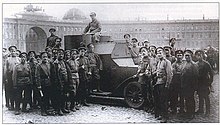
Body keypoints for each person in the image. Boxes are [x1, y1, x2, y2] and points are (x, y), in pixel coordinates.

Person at [52, 49, 75, 115]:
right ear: (56, 55)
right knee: (58, 96)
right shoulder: (55, 63)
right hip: (58, 82)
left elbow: (68, 72)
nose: (61, 55)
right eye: (59, 54)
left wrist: (69, 81)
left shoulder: (65, 62)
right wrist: (57, 82)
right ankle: (58, 109)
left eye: (62, 54)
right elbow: (54, 75)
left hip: (65, 81)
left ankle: (63, 108)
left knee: (64, 95)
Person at [153, 47, 173, 123]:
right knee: (160, 100)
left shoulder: (167, 62)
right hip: (158, 82)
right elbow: (158, 71)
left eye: (160, 52)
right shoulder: (159, 62)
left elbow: (170, 74)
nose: (159, 54)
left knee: (164, 101)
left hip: (164, 84)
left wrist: (167, 85)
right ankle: (161, 115)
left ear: (164, 53)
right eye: (157, 52)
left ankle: (165, 117)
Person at [181, 50, 199, 119]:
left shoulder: (194, 65)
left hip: (191, 85)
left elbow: (196, 76)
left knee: (191, 99)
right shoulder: (184, 63)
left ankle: (191, 113)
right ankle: (188, 112)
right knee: (186, 99)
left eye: (188, 55)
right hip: (184, 85)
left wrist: (195, 87)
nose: (186, 57)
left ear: (191, 56)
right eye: (185, 56)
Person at [195, 50, 213, 116]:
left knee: (206, 97)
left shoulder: (206, 63)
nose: (199, 57)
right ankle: (200, 110)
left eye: (200, 55)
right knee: (200, 96)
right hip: (199, 83)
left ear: (202, 55)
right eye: (197, 55)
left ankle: (208, 111)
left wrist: (210, 82)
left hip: (205, 82)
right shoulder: (196, 64)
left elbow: (211, 73)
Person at [36, 52, 55, 116]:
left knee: (47, 97)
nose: (45, 58)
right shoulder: (39, 65)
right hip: (43, 82)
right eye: (43, 57)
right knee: (43, 98)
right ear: (41, 58)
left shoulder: (49, 64)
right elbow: (37, 76)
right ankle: (43, 110)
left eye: (46, 56)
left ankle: (47, 109)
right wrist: (39, 85)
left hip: (49, 82)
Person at [134, 47, 152, 111]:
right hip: (142, 79)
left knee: (149, 93)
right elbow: (139, 69)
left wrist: (144, 73)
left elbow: (149, 69)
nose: (143, 52)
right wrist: (137, 74)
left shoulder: (150, 60)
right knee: (143, 93)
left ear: (147, 51)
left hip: (148, 79)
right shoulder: (141, 60)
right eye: (141, 51)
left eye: (144, 51)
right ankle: (146, 105)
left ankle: (150, 106)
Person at [6, 46, 21, 110]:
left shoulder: (19, 59)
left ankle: (17, 106)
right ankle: (12, 105)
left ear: (16, 51)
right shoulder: (8, 59)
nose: (13, 52)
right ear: (10, 52)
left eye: (14, 50)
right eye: (11, 51)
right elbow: (6, 69)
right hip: (10, 75)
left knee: (17, 91)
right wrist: (6, 78)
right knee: (11, 91)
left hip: (17, 76)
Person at [170, 50, 185, 114]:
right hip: (175, 83)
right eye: (178, 55)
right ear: (176, 56)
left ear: (182, 56)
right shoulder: (173, 64)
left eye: (180, 55)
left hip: (183, 83)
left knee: (182, 97)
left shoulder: (185, 63)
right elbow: (173, 72)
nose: (179, 57)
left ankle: (182, 109)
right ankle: (174, 109)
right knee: (174, 96)